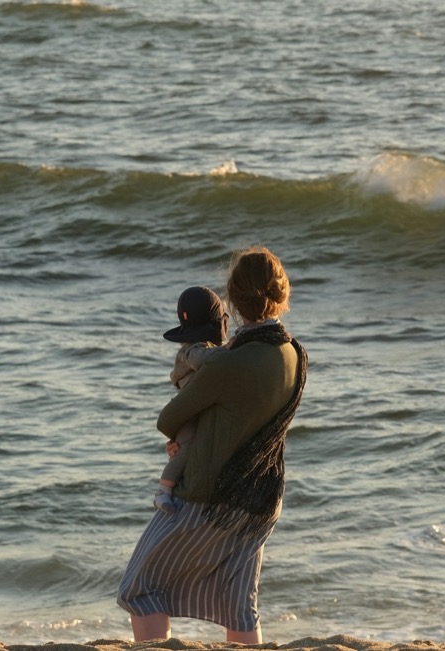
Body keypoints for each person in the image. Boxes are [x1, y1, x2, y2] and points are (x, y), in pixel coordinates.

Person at [118, 246, 307, 644]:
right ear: (282, 294)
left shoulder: (226, 363)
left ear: (234, 300)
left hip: (210, 497)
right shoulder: (294, 355)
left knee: (138, 588)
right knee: (239, 603)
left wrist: (186, 441)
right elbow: (246, 419)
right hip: (263, 498)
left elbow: (168, 419)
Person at [154, 285, 229, 514]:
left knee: (187, 449)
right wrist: (231, 350)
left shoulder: (197, 347)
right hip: (187, 412)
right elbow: (202, 360)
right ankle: (163, 492)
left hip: (190, 408)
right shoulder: (193, 350)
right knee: (185, 449)